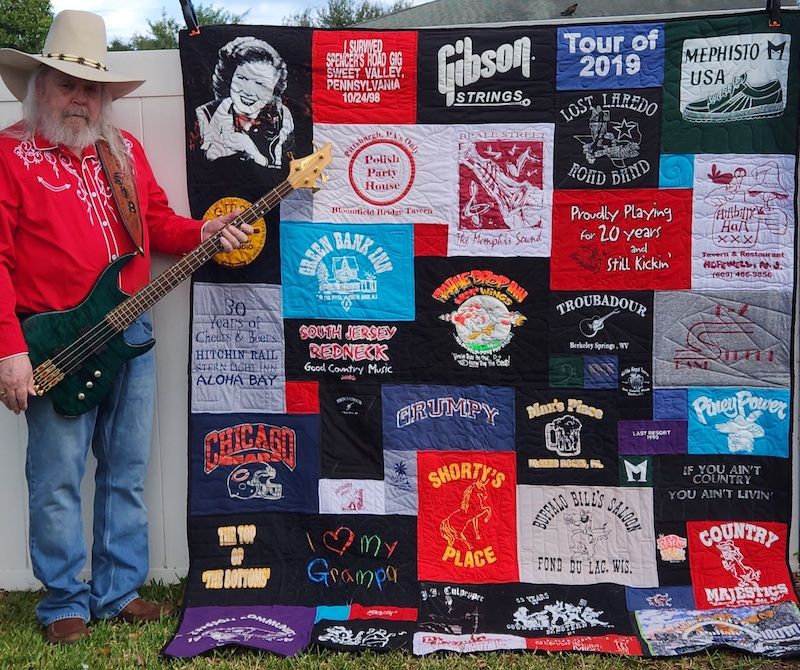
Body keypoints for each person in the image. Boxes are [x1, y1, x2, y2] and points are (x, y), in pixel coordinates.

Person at [0, 10, 252, 644]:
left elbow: (161, 223)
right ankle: (63, 600)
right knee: (55, 475)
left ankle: (117, 591)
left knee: (126, 471)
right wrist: (9, 350)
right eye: (66, 83)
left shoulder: (124, 150)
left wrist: (208, 233)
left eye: (93, 88)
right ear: (40, 88)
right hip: (54, 344)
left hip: (132, 334)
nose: (81, 98)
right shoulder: (7, 154)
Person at [195, 35, 294, 168]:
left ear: (274, 88)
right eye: (242, 78)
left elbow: (287, 170)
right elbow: (198, 168)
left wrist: (254, 153)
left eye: (260, 84)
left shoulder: (282, 117)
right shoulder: (206, 114)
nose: (249, 91)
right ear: (230, 78)